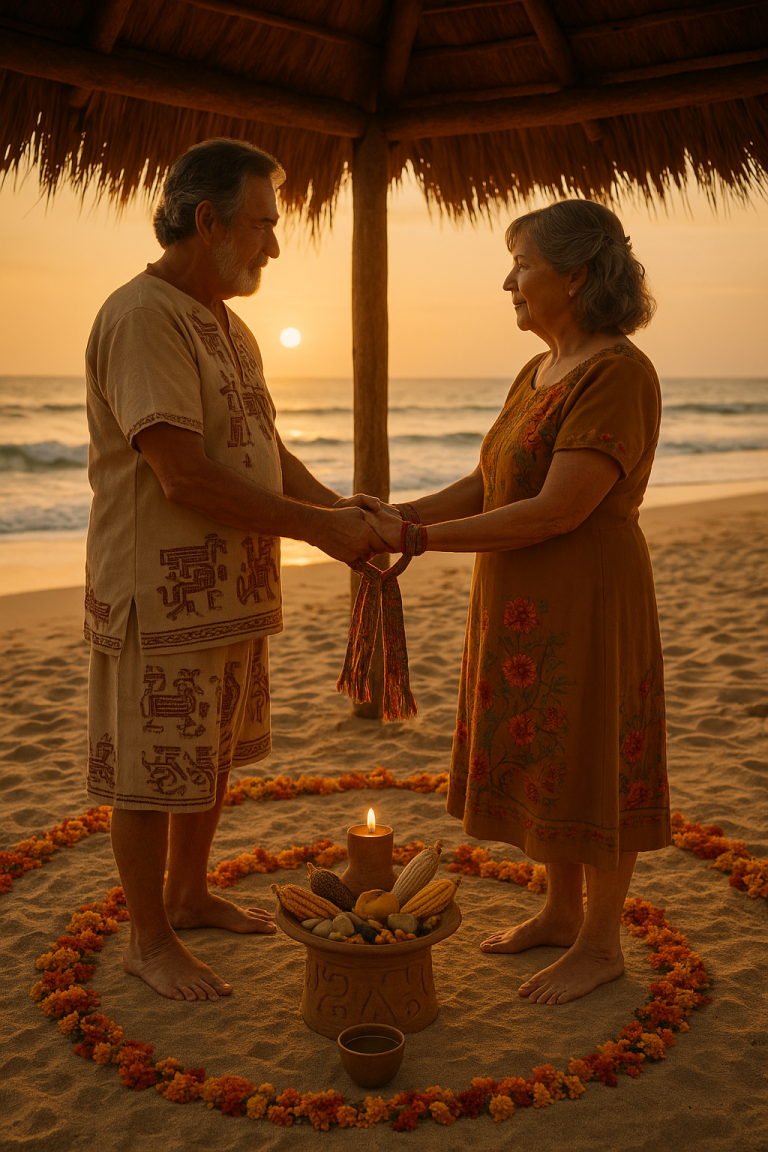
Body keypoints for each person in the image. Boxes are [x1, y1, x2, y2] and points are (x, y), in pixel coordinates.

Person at [84, 138, 384, 1003]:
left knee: (206, 756)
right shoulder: (144, 314)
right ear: (206, 219)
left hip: (232, 592)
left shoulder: (227, 320)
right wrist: (322, 532)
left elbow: (259, 448)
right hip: (159, 592)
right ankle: (149, 938)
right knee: (149, 769)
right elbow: (182, 471)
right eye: (263, 225)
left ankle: (187, 893)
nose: (276, 245)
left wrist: (342, 507)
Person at [366, 199, 670, 1005]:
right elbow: (491, 482)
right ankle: (561, 914)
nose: (509, 280)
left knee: (593, 757)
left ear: (575, 274)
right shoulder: (538, 370)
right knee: (550, 758)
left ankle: (601, 943)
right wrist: (401, 517)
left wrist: (421, 545)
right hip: (522, 602)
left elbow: (558, 509)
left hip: (588, 599)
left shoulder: (619, 372)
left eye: (523, 264)